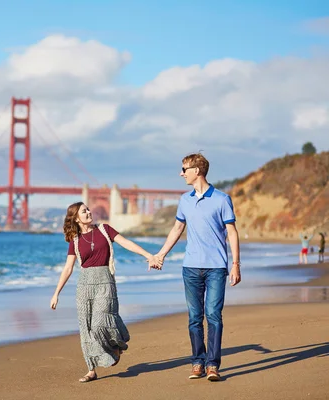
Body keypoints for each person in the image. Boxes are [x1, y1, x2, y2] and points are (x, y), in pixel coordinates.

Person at [152, 153, 241, 382]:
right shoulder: (185, 200)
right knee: (194, 317)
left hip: (216, 268)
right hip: (190, 268)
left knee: (213, 315)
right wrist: (160, 255)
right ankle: (197, 362)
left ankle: (213, 364)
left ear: (197, 170)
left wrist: (235, 264)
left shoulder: (222, 199)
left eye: (184, 169)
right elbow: (176, 229)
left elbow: (231, 232)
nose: (181, 173)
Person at [50, 202, 161, 383]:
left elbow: (127, 243)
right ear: (77, 218)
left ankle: (116, 347)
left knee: (100, 322)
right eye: (83, 211)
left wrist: (149, 256)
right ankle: (91, 369)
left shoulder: (104, 230)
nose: (88, 212)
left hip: (105, 282)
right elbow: (68, 268)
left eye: (88, 209)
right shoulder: (75, 240)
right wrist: (56, 293)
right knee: (86, 328)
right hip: (84, 286)